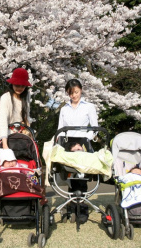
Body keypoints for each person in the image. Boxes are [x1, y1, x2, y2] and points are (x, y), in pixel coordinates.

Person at [58, 79, 99, 223]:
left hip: (83, 142)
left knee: (81, 176)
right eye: (71, 93)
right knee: (69, 174)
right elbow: (60, 129)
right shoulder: (64, 109)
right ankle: (69, 207)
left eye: (76, 92)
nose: (74, 95)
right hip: (68, 142)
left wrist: (85, 140)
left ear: (81, 90)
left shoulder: (89, 107)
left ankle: (81, 209)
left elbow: (94, 128)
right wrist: (61, 144)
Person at [0, 68, 32, 149]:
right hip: (7, 136)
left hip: (22, 136)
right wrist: (5, 145)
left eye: (22, 86)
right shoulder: (5, 98)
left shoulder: (26, 97)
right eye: (17, 85)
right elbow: (3, 122)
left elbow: (27, 116)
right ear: (12, 84)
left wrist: (26, 123)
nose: (19, 88)